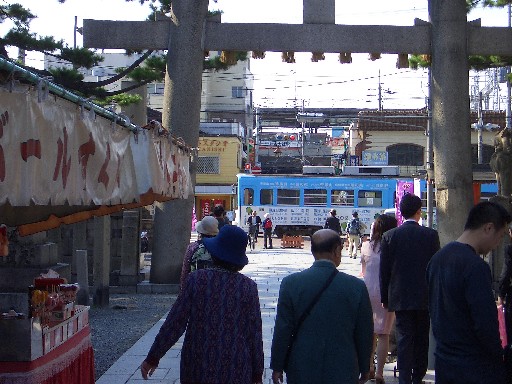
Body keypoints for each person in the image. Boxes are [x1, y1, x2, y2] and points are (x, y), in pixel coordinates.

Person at [141, 225, 264, 384]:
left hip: (198, 363)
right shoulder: (248, 288)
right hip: (237, 365)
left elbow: (175, 322)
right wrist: (257, 373)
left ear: (215, 253)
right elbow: (254, 333)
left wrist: (153, 356)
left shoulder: (197, 280)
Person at [270, 229, 373, 384]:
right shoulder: (356, 287)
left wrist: (277, 365)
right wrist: (365, 368)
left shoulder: (291, 284)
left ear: (312, 251)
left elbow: (283, 329)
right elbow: (364, 333)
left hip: (302, 365)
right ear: (337, 250)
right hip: (343, 368)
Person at [427, 201, 510, 384]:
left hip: (444, 361)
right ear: (488, 228)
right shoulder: (476, 267)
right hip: (474, 366)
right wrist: (499, 358)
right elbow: (485, 323)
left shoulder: (436, 260)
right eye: (500, 236)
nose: (497, 244)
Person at [379, 193, 440, 384]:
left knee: (405, 338)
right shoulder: (430, 235)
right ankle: (418, 375)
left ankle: (404, 378)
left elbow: (384, 271)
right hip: (424, 296)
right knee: (422, 337)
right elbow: (435, 268)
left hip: (400, 296)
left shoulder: (389, 236)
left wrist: (385, 297)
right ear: (418, 212)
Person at [361, 214, 398, 384]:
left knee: (370, 331)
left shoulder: (365, 246)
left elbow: (363, 268)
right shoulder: (392, 247)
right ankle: (380, 373)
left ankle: (369, 366)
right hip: (386, 292)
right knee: (384, 333)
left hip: (367, 290)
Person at [179, 215, 219, 289]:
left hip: (196, 286)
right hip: (215, 287)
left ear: (200, 232)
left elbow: (185, 270)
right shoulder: (220, 248)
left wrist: (183, 288)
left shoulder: (193, 247)